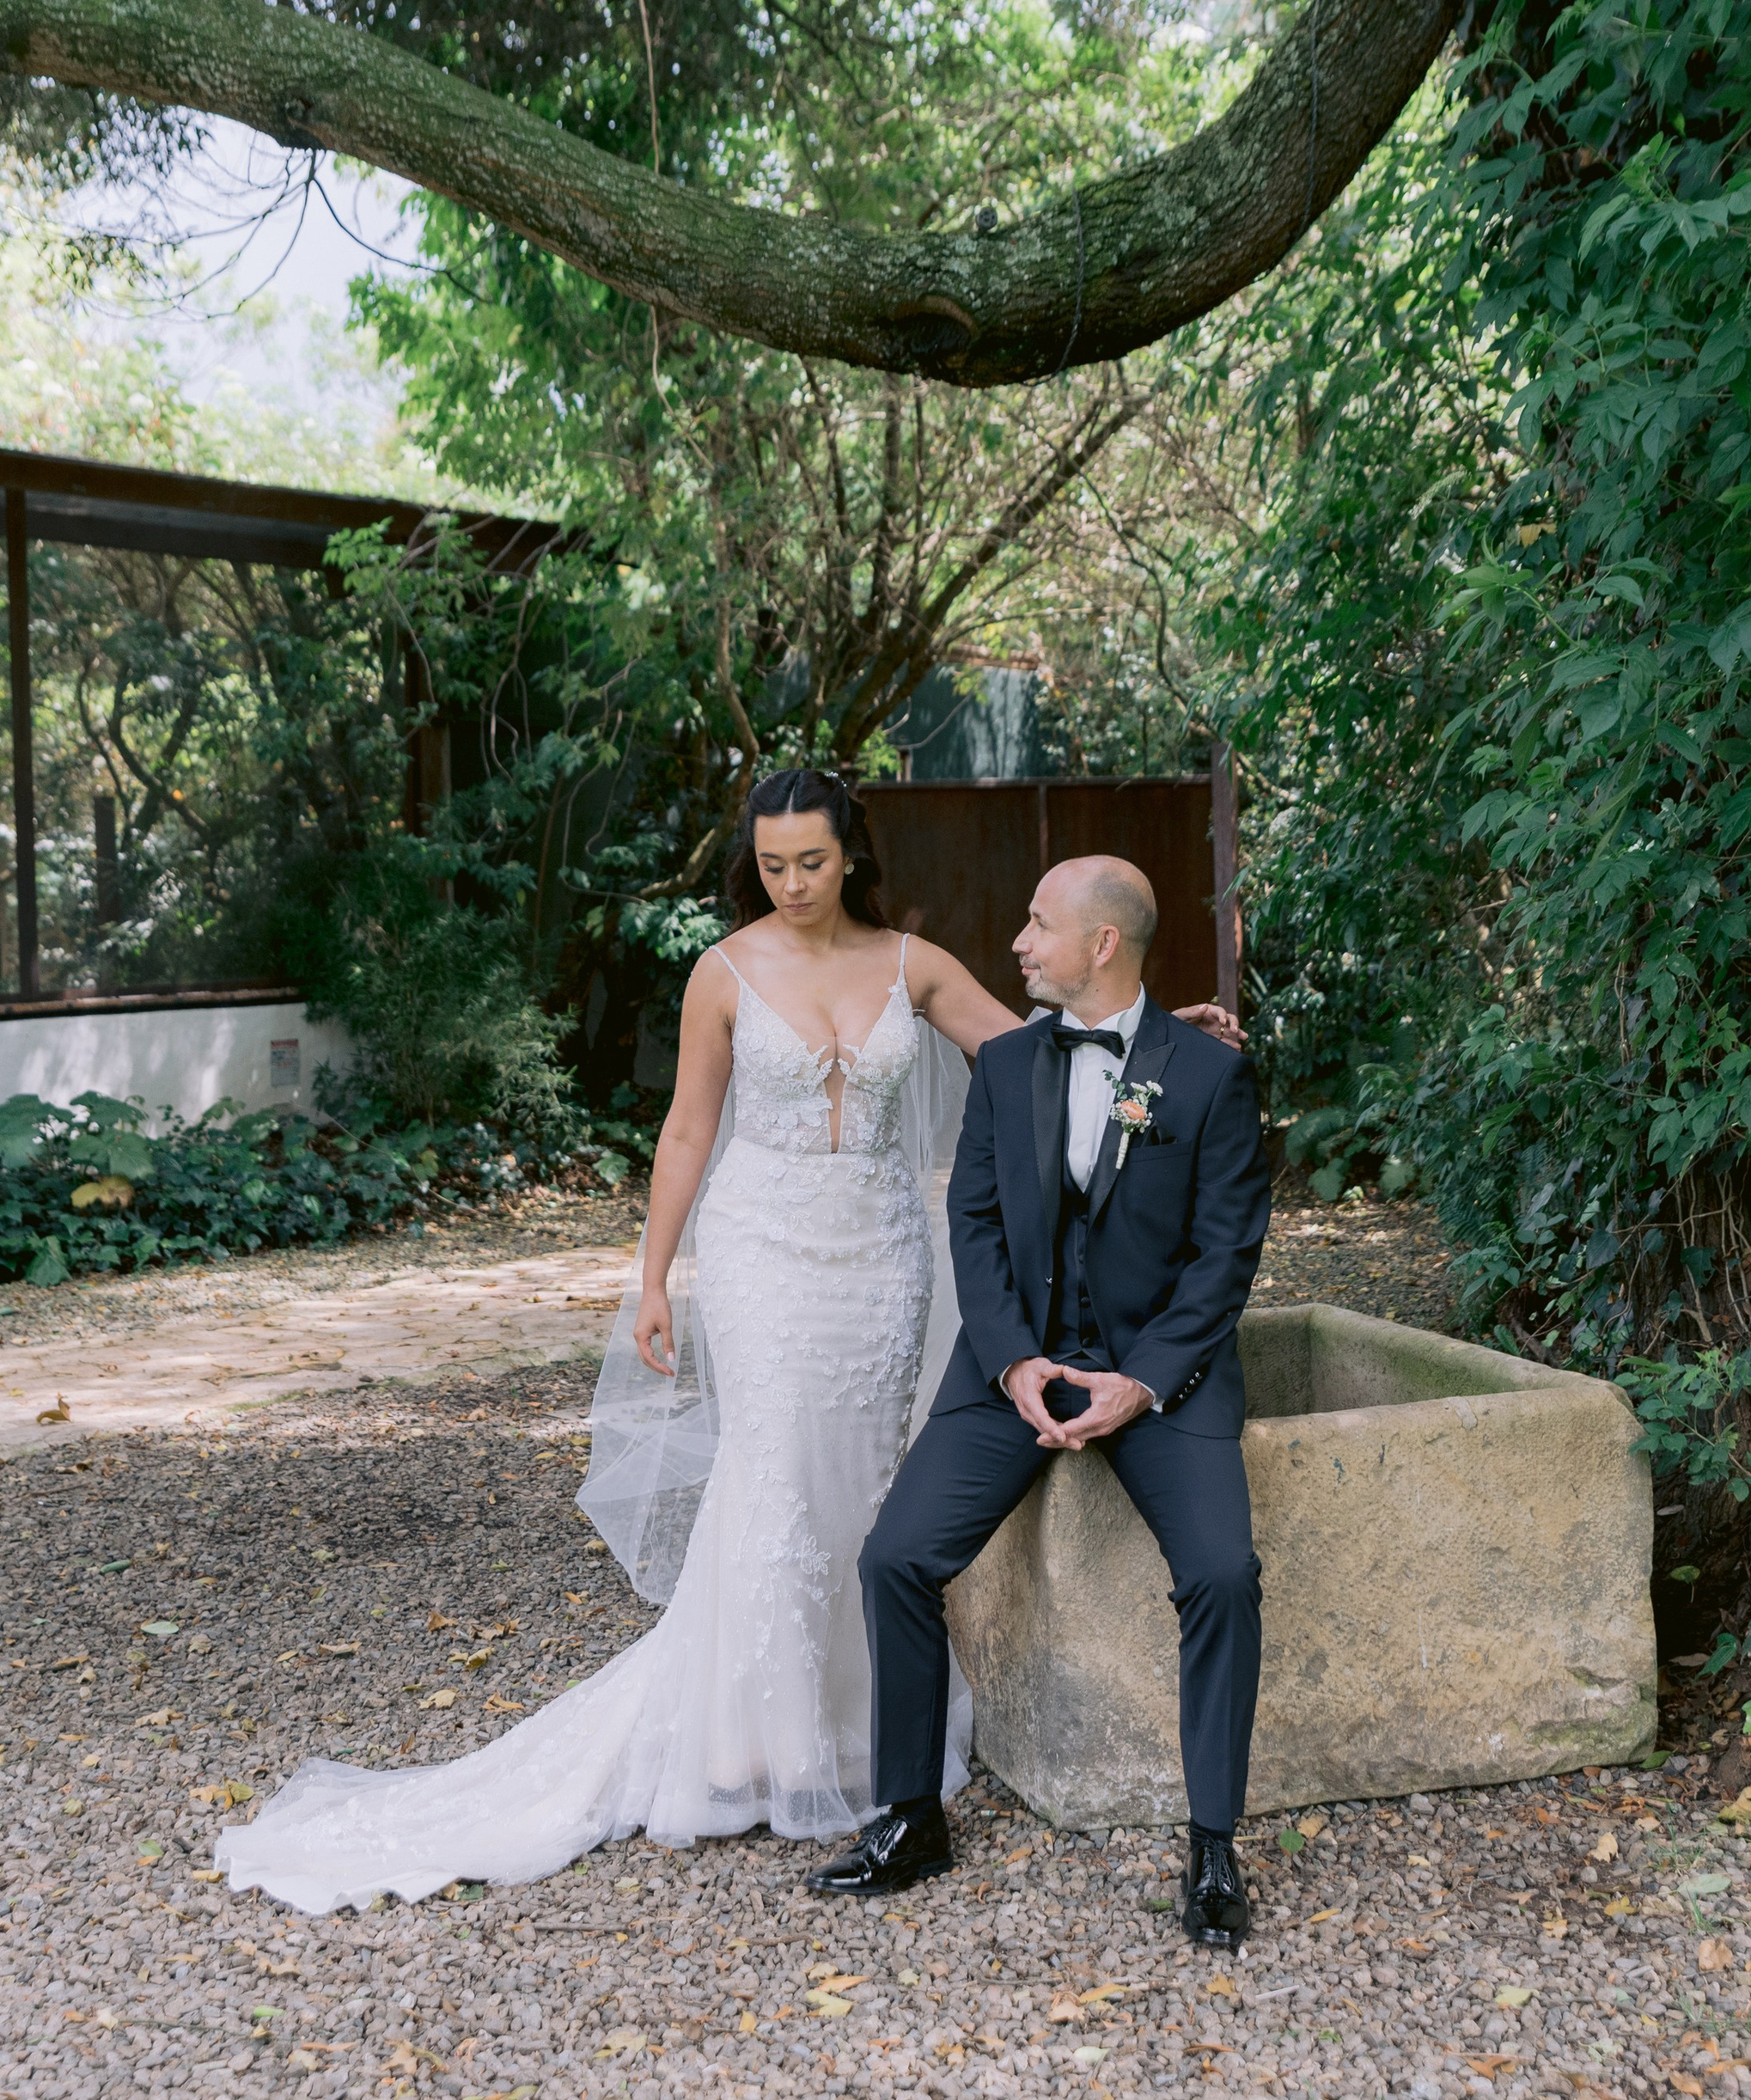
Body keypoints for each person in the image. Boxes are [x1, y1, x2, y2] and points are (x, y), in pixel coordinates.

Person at [216, 770, 1237, 1915]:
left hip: (881, 1255)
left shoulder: (918, 964)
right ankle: (750, 1744)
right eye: (771, 865)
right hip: (762, 1250)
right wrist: (652, 1278)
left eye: (812, 861)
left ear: (851, 854)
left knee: (859, 1482)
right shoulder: (725, 971)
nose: (793, 884)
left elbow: (1047, 1048)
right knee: (772, 1473)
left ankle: (859, 1741)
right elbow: (689, 1125)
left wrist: (1170, 1037)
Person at [812, 855, 1271, 1950]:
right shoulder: (1009, 1062)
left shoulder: (1203, 1076)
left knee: (1223, 1574)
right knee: (894, 1559)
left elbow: (1224, 1258)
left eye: (1036, 923)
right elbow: (972, 1223)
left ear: (1101, 944)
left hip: (1161, 1381)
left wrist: (1141, 1380)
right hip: (1011, 1370)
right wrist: (1014, 1361)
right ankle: (912, 1814)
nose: (1017, 941)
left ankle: (1212, 1845)